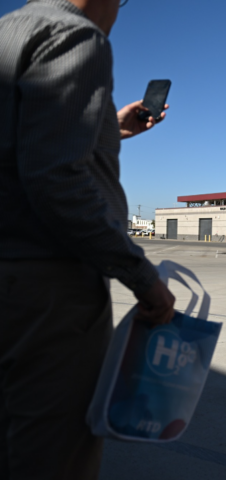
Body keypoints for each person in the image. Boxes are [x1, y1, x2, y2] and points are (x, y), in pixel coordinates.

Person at [0, 0, 175, 478]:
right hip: (47, 294)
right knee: (54, 457)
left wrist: (111, 129)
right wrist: (142, 276)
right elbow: (57, 178)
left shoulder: (9, 31)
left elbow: (24, 145)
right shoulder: (75, 36)